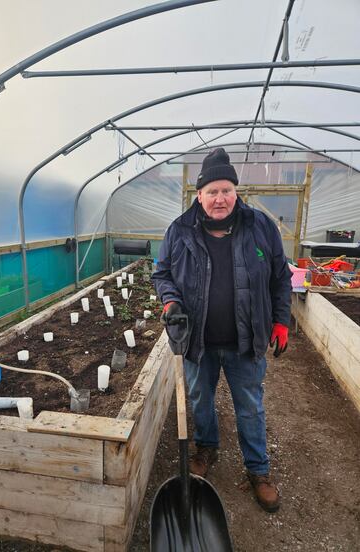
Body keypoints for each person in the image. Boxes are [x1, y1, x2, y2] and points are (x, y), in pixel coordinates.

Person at [152, 148, 292, 513]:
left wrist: (281, 320)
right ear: (199, 195)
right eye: (212, 191)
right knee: (200, 400)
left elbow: (280, 277)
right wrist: (170, 302)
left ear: (236, 192)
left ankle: (258, 470)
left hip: (246, 342)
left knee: (250, 406)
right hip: (197, 340)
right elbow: (161, 273)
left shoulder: (260, 226)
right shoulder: (179, 231)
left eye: (226, 190)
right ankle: (206, 448)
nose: (220, 198)